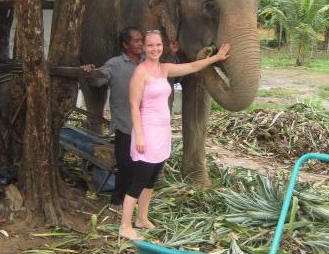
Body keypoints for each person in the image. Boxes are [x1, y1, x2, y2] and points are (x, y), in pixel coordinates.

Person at [119, 30, 230, 240]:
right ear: (143, 47)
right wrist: (140, 137)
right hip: (147, 130)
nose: (155, 49)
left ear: (163, 46)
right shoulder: (140, 72)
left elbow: (191, 66)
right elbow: (134, 106)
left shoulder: (164, 69)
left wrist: (215, 58)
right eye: (150, 45)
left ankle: (141, 218)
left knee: (152, 178)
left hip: (163, 130)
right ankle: (125, 226)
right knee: (139, 179)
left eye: (158, 45)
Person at [81, 27, 143, 210]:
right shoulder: (115, 64)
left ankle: (134, 200)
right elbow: (97, 80)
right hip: (125, 123)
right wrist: (89, 71)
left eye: (142, 40)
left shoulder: (148, 62)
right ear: (125, 45)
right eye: (136, 41)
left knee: (141, 165)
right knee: (126, 164)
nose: (140, 44)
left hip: (146, 124)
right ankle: (117, 201)